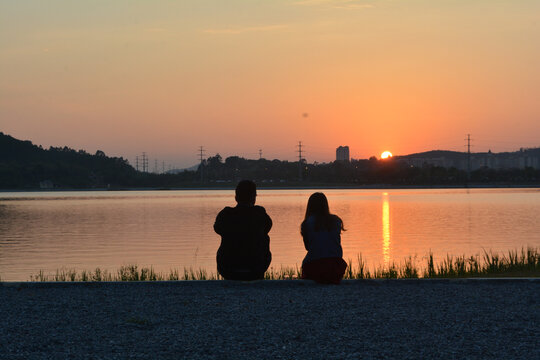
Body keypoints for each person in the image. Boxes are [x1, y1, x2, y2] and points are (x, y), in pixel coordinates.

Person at [214, 180, 272, 280]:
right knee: (265, 238)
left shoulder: (225, 214)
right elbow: (268, 227)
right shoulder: (260, 213)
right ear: (254, 198)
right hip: (255, 269)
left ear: (236, 197)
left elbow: (217, 229)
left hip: (228, 269)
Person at [301, 192, 347, 284]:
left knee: (306, 263)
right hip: (336, 266)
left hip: (315, 266)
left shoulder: (307, 223)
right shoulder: (336, 221)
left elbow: (308, 247)